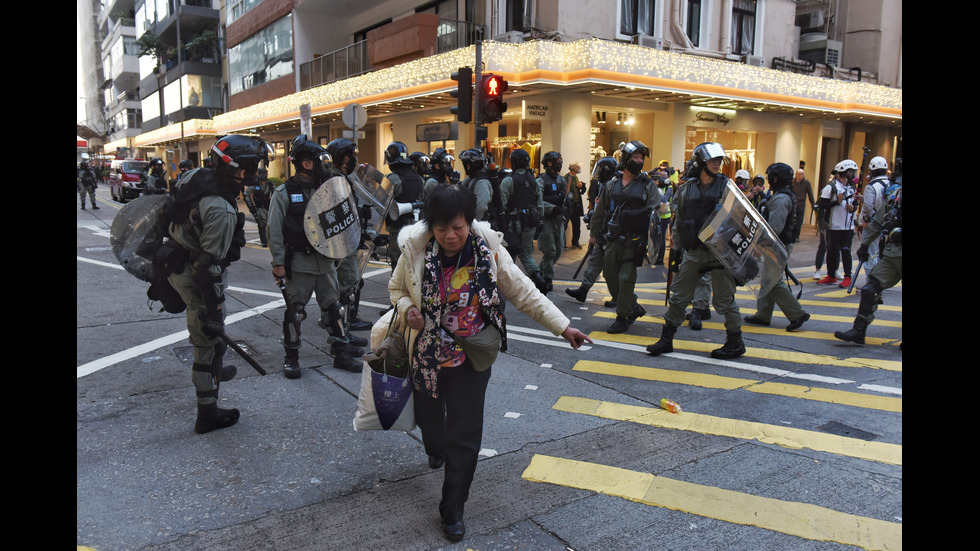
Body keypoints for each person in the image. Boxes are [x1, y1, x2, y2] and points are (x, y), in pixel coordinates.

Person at [388, 183, 592, 543]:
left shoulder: (490, 252)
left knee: (464, 437)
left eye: (458, 227)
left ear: (470, 221)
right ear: (430, 228)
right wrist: (409, 310)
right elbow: (396, 290)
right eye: (442, 229)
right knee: (431, 424)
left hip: (472, 356)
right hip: (427, 357)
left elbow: (523, 291)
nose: (451, 235)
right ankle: (434, 447)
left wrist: (563, 327)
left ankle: (453, 508)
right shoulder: (415, 251)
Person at [167, 134, 269, 433]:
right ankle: (207, 412)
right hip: (196, 276)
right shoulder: (221, 211)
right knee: (207, 341)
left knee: (211, 340)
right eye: (250, 168)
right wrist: (213, 315)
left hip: (177, 258)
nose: (253, 174)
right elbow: (207, 270)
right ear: (236, 168)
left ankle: (215, 368)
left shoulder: (196, 177)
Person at [268, 135, 362, 378]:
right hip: (300, 264)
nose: (327, 165)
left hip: (327, 262)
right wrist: (278, 264)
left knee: (335, 310)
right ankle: (291, 356)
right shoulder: (284, 193)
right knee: (295, 312)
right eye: (322, 161)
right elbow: (274, 231)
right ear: (307, 164)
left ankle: (340, 353)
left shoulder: (330, 187)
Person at [647, 142, 746, 359]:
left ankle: (735, 342)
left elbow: (739, 220)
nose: (718, 164)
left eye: (720, 160)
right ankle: (666, 339)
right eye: (713, 160)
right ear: (701, 162)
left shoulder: (727, 187)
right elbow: (680, 221)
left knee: (724, 301)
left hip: (720, 253)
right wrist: (675, 251)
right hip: (693, 251)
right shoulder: (686, 188)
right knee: (679, 297)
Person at [589, 140, 663, 334]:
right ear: (626, 159)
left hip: (633, 242)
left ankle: (622, 317)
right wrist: (593, 235)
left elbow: (656, 214)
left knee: (626, 279)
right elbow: (600, 211)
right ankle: (633, 307)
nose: (639, 161)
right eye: (635, 157)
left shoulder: (647, 185)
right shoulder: (612, 184)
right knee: (611, 278)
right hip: (612, 239)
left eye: (641, 158)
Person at [742, 163, 811, 331]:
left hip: (776, 245)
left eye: (771, 177)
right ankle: (763, 315)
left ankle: (797, 314)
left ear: (776, 178)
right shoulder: (783, 195)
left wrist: (760, 247)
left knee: (773, 282)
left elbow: (774, 228)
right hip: (777, 244)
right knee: (768, 279)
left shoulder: (780, 199)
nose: (769, 181)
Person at [834, 183, 902, 345]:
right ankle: (859, 331)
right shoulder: (897, 196)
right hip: (894, 253)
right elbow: (878, 222)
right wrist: (865, 245)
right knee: (870, 289)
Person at [326, 138, 373, 333]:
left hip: (347, 239)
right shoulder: (336, 181)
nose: (354, 160)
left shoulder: (341, 178)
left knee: (348, 281)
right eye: (353, 156)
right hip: (342, 242)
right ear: (345, 158)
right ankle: (342, 325)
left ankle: (341, 323)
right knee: (348, 281)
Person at [566, 157, 618, 302]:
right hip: (605, 231)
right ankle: (583, 290)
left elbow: (601, 212)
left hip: (609, 233)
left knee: (610, 271)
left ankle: (621, 299)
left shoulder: (612, 187)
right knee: (595, 262)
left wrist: (594, 234)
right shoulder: (609, 185)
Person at [500, 148, 549, 294]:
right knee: (526, 253)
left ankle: (507, 286)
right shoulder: (533, 181)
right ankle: (538, 278)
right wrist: (539, 222)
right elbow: (539, 204)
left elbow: (501, 205)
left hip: (512, 223)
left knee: (509, 254)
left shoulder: (508, 181)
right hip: (530, 222)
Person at [817, 159, 858, 288]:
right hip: (834, 225)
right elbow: (820, 204)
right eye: (849, 173)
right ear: (842, 173)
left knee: (846, 251)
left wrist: (854, 208)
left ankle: (847, 277)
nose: (852, 175)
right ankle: (831, 275)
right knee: (832, 251)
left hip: (848, 226)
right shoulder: (831, 187)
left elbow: (854, 203)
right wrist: (836, 202)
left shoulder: (851, 187)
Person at [384, 141, 425, 270]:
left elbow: (380, 201)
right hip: (416, 228)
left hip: (398, 229)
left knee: (399, 267)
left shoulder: (392, 179)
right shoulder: (419, 178)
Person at [536, 151, 568, 293]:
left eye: (561, 160)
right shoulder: (541, 181)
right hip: (547, 220)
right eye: (557, 160)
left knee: (559, 249)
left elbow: (567, 194)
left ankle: (538, 272)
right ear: (549, 163)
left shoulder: (562, 180)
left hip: (559, 219)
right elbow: (537, 201)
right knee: (550, 250)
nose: (560, 163)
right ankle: (548, 278)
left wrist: (569, 200)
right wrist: (551, 208)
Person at [857, 156, 889, 273]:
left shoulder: (871, 186)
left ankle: (870, 284)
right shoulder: (890, 184)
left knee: (870, 254)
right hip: (887, 224)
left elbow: (868, 207)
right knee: (881, 253)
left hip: (873, 225)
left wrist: (864, 221)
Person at [458, 149, 493, 223]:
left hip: (481, 226)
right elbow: (460, 188)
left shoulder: (481, 183)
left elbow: (481, 208)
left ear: (469, 165)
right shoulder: (472, 178)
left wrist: (472, 225)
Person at [244, 167, 272, 247]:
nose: (265, 175)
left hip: (270, 207)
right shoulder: (255, 184)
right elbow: (246, 195)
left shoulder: (270, 185)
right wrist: (251, 207)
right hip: (260, 207)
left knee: (272, 225)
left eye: (266, 174)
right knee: (262, 224)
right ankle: (264, 242)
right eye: (263, 174)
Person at [791, 168, 816, 243]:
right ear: (796, 175)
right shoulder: (792, 182)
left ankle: (796, 236)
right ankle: (792, 235)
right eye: (800, 174)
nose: (801, 176)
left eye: (802, 174)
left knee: (799, 220)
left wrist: (813, 203)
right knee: (792, 219)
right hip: (793, 203)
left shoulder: (806, 183)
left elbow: (810, 193)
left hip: (801, 204)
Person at [564, 161, 585, 248]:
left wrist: (581, 186)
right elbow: (565, 190)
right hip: (569, 204)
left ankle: (575, 242)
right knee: (564, 224)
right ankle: (563, 243)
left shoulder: (576, 177)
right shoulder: (566, 177)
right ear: (573, 168)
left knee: (577, 225)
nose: (579, 168)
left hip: (576, 204)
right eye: (578, 167)